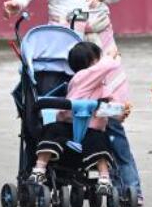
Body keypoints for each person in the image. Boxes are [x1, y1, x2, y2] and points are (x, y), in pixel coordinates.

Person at [3, 0, 142, 202]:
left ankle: (128, 185)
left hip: (97, 41)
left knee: (107, 112)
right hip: (62, 46)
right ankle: (48, 174)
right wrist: (16, 3)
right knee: (59, 111)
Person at [31, 41, 126, 192]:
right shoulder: (81, 78)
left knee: (100, 140)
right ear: (92, 63)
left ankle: (104, 178)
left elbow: (108, 108)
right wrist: (112, 55)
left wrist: (119, 112)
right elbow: (106, 66)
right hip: (68, 124)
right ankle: (39, 169)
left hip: (91, 130)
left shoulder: (102, 87)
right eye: (99, 58)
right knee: (52, 131)